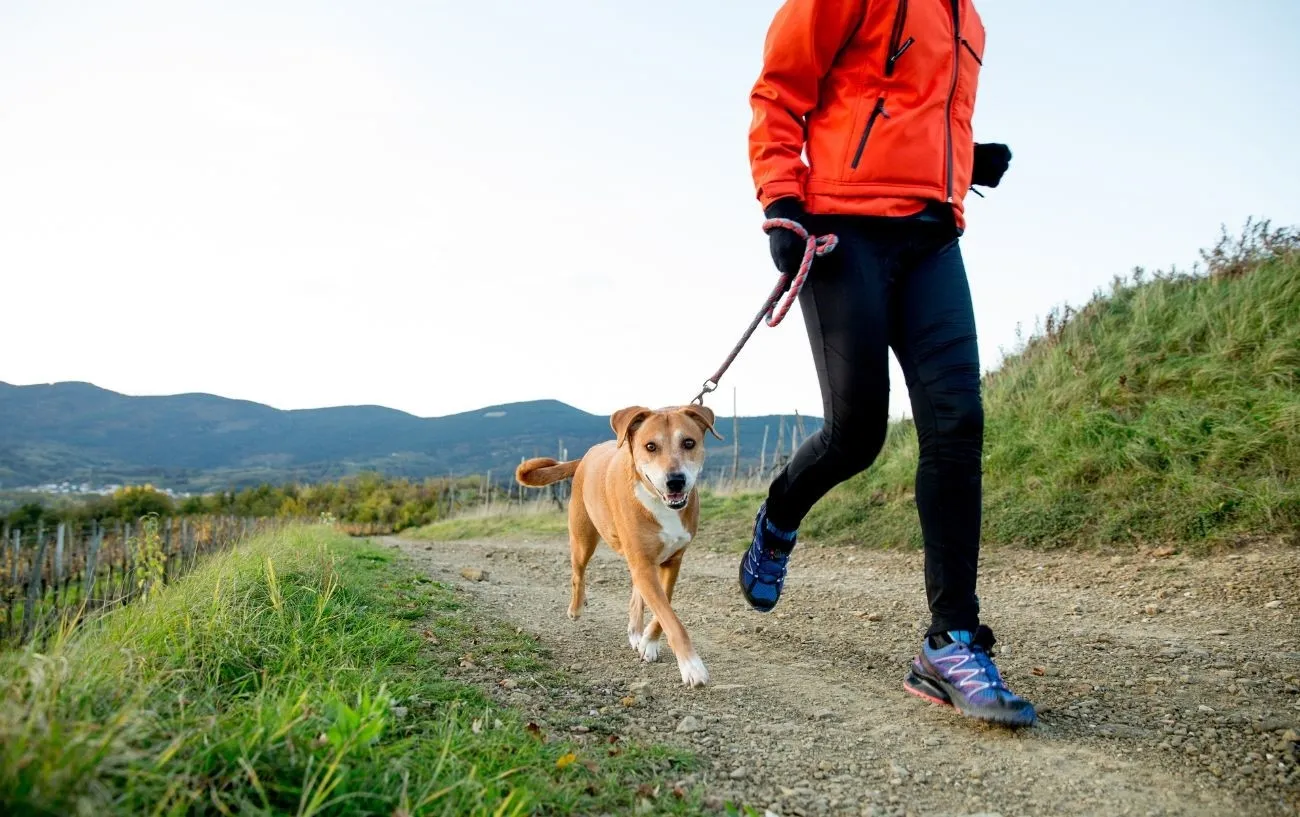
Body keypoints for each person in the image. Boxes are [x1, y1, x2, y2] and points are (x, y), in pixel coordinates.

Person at [737, 0, 1036, 727]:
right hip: (844, 228)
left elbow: (914, 110)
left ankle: (950, 640)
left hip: (932, 236)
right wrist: (781, 197)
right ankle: (780, 515)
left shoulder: (967, 17)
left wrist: (965, 160)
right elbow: (781, 89)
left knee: (958, 425)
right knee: (858, 432)